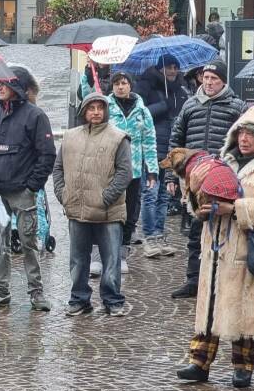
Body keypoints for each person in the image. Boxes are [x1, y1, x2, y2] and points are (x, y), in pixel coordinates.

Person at [176, 104, 254, 388]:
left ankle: (243, 367)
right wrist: (198, 208)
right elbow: (196, 195)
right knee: (209, 306)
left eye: (251, 134)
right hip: (215, 246)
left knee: (243, 309)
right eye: (241, 132)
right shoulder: (222, 162)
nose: (244, 138)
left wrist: (234, 208)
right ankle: (199, 362)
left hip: (243, 246)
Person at [167, 60, 246, 299]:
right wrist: (171, 177)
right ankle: (194, 280)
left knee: (223, 230)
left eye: (214, 79)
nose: (209, 82)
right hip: (194, 179)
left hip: (224, 177)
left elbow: (245, 142)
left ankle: (221, 281)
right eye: (206, 78)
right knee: (194, 230)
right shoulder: (190, 106)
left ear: (223, 81)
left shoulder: (236, 107)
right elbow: (176, 140)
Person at [0, 65, 55, 311]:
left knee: (29, 244)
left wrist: (32, 186)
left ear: (17, 87)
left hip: (22, 192)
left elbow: (47, 155)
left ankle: (36, 293)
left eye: (4, 84)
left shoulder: (35, 116)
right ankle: (0, 292)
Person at [53, 93, 132, 317]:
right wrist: (63, 194)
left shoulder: (118, 138)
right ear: (83, 111)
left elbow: (125, 173)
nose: (96, 112)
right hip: (76, 209)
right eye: (91, 108)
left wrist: (106, 197)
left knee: (111, 259)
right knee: (78, 260)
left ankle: (112, 299)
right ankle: (79, 299)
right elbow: (58, 169)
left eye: (99, 108)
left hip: (108, 211)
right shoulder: (70, 137)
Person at [135, 53, 191, 257]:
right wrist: (162, 106)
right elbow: (139, 114)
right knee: (150, 193)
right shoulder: (145, 86)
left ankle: (159, 235)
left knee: (164, 195)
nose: (173, 71)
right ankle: (149, 236)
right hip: (151, 148)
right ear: (160, 68)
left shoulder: (180, 90)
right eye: (169, 67)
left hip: (171, 148)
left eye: (176, 67)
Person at [104, 72, 158, 269]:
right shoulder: (105, 108)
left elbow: (149, 142)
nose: (120, 87)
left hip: (134, 171)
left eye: (124, 83)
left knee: (129, 213)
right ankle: (100, 254)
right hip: (109, 170)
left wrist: (152, 170)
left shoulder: (142, 111)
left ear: (130, 86)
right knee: (106, 211)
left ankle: (122, 254)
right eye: (117, 84)